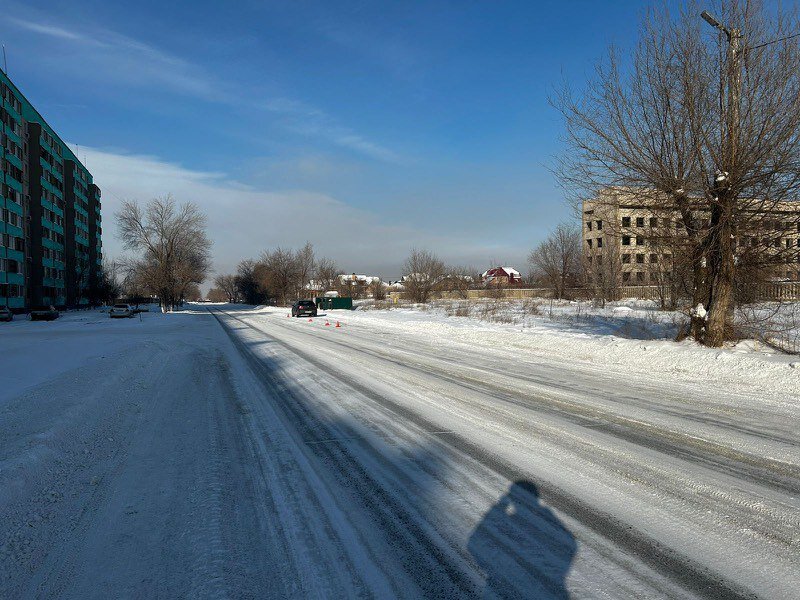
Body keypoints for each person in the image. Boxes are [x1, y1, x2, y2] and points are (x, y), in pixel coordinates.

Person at [467, 481, 576, 599]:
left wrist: (499, 506)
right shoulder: (552, 527)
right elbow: (569, 546)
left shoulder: (509, 523)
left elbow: (475, 542)